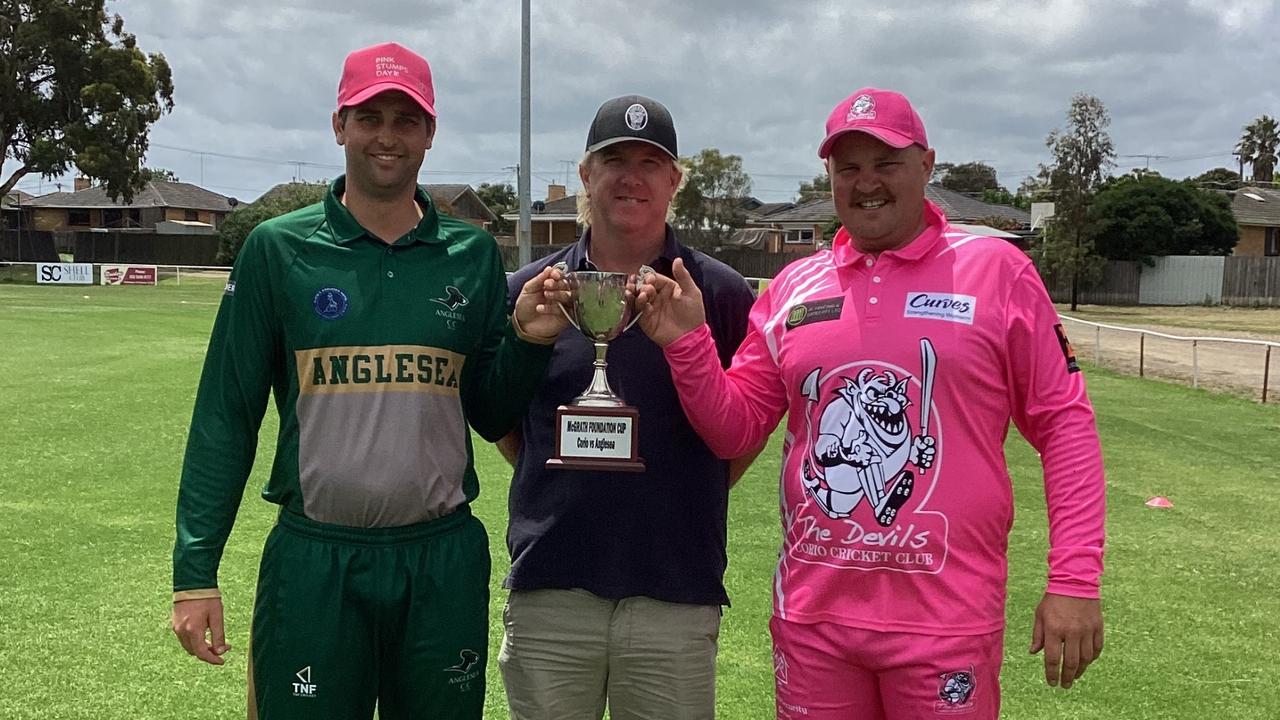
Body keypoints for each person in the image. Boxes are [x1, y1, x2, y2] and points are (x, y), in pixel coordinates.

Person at [635, 87, 1106, 720]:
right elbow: (735, 429)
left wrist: (1074, 581)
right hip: (813, 621)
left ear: (926, 165)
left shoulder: (997, 271)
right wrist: (688, 342)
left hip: (946, 624)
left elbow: (1065, 425)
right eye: (848, 168)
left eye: (885, 163)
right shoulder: (794, 288)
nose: (867, 183)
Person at [170, 41, 568, 720]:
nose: (387, 135)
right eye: (369, 116)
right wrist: (194, 573)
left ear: (429, 134)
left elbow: (487, 408)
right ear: (339, 126)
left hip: (439, 558)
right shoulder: (278, 248)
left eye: (406, 119)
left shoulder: (470, 255)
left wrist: (529, 342)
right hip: (317, 558)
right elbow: (226, 414)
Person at [495, 95, 758, 720]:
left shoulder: (718, 292)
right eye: (614, 159)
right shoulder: (533, 291)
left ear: (674, 180)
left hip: (674, 586)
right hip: (552, 584)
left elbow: (743, 431)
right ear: (587, 174)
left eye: (650, 162)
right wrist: (562, 471)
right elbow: (505, 420)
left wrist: (680, 490)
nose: (631, 177)